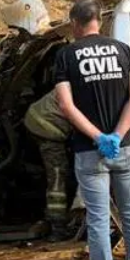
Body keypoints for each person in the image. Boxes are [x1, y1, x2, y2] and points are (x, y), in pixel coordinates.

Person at [54, 0, 130, 260]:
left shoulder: (67, 55)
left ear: (75, 24)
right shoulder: (124, 51)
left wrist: (98, 137)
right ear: (100, 22)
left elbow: (66, 106)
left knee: (97, 220)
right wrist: (118, 135)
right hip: (126, 146)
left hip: (89, 150)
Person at [25, 88, 81, 237]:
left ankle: (54, 220)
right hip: (48, 127)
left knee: (56, 175)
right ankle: (57, 226)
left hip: (38, 119)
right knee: (57, 176)